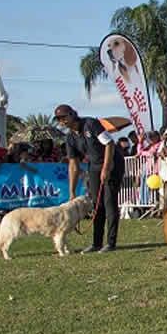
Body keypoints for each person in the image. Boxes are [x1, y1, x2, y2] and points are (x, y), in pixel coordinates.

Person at [56, 104, 123, 253]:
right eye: (59, 119)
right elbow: (73, 165)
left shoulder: (90, 124)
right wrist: (72, 192)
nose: (62, 121)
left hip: (112, 162)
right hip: (94, 166)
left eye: (64, 117)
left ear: (72, 114)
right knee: (97, 204)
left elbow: (109, 144)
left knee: (109, 202)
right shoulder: (70, 138)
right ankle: (96, 243)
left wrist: (106, 168)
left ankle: (111, 243)